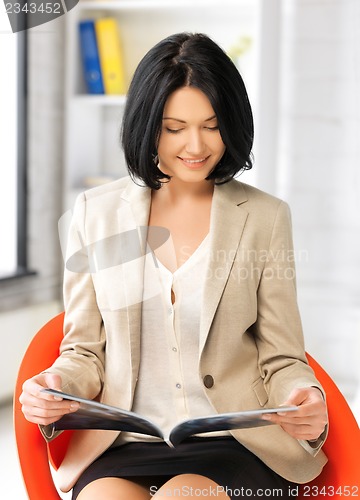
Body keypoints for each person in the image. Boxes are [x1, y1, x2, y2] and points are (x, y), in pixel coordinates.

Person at [20, 32, 328, 499]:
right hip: (124, 444)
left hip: (234, 445)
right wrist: (57, 384)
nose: (196, 145)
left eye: (211, 124)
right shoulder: (95, 214)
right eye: (174, 127)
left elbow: (282, 356)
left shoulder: (265, 217)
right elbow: (84, 350)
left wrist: (303, 395)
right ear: (147, 126)